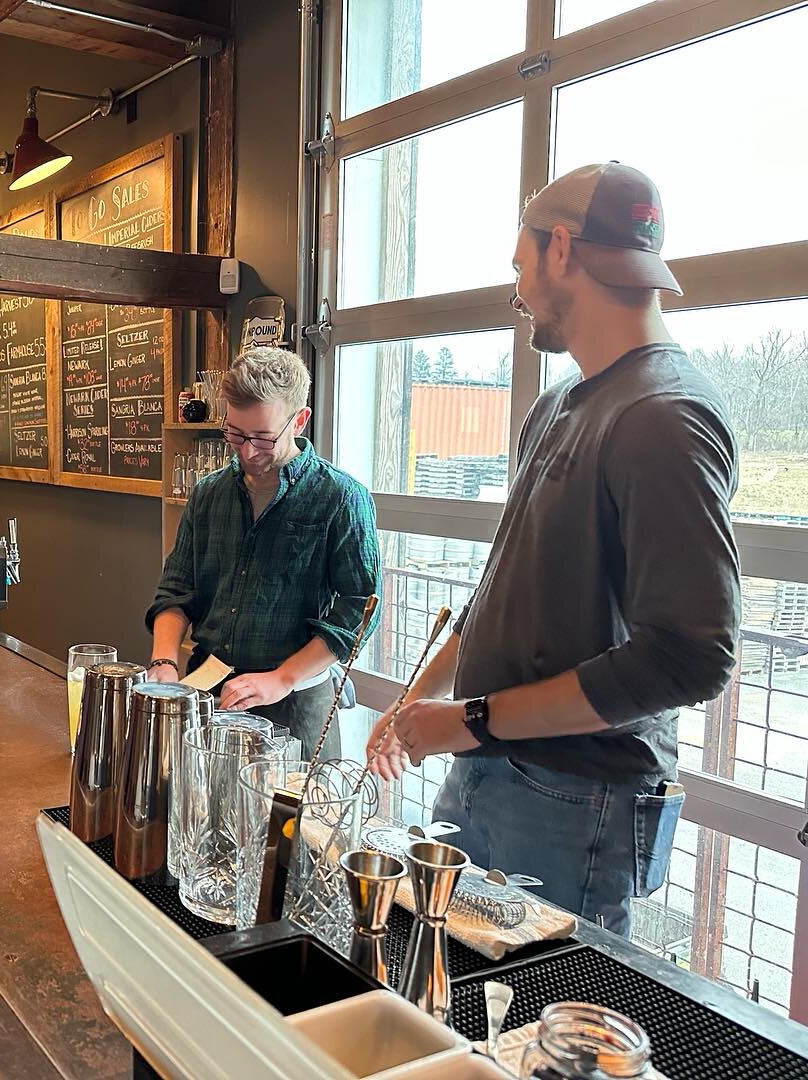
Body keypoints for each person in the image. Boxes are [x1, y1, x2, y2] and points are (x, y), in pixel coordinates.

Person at [366, 163, 740, 934]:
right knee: (450, 1000)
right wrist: (419, 706)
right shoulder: (560, 402)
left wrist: (469, 719)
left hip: (578, 801)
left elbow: (692, 656)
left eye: (519, 264)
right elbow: (505, 591)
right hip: (488, 771)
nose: (516, 290)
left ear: (561, 248)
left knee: (539, 1039)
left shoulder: (666, 416)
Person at [147, 346, 381, 755]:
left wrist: (282, 678)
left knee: (291, 820)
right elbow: (177, 586)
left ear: (300, 420)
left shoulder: (340, 498)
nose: (247, 452)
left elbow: (360, 607)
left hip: (295, 704)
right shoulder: (209, 494)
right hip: (210, 690)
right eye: (235, 434)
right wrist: (163, 661)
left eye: (262, 438)